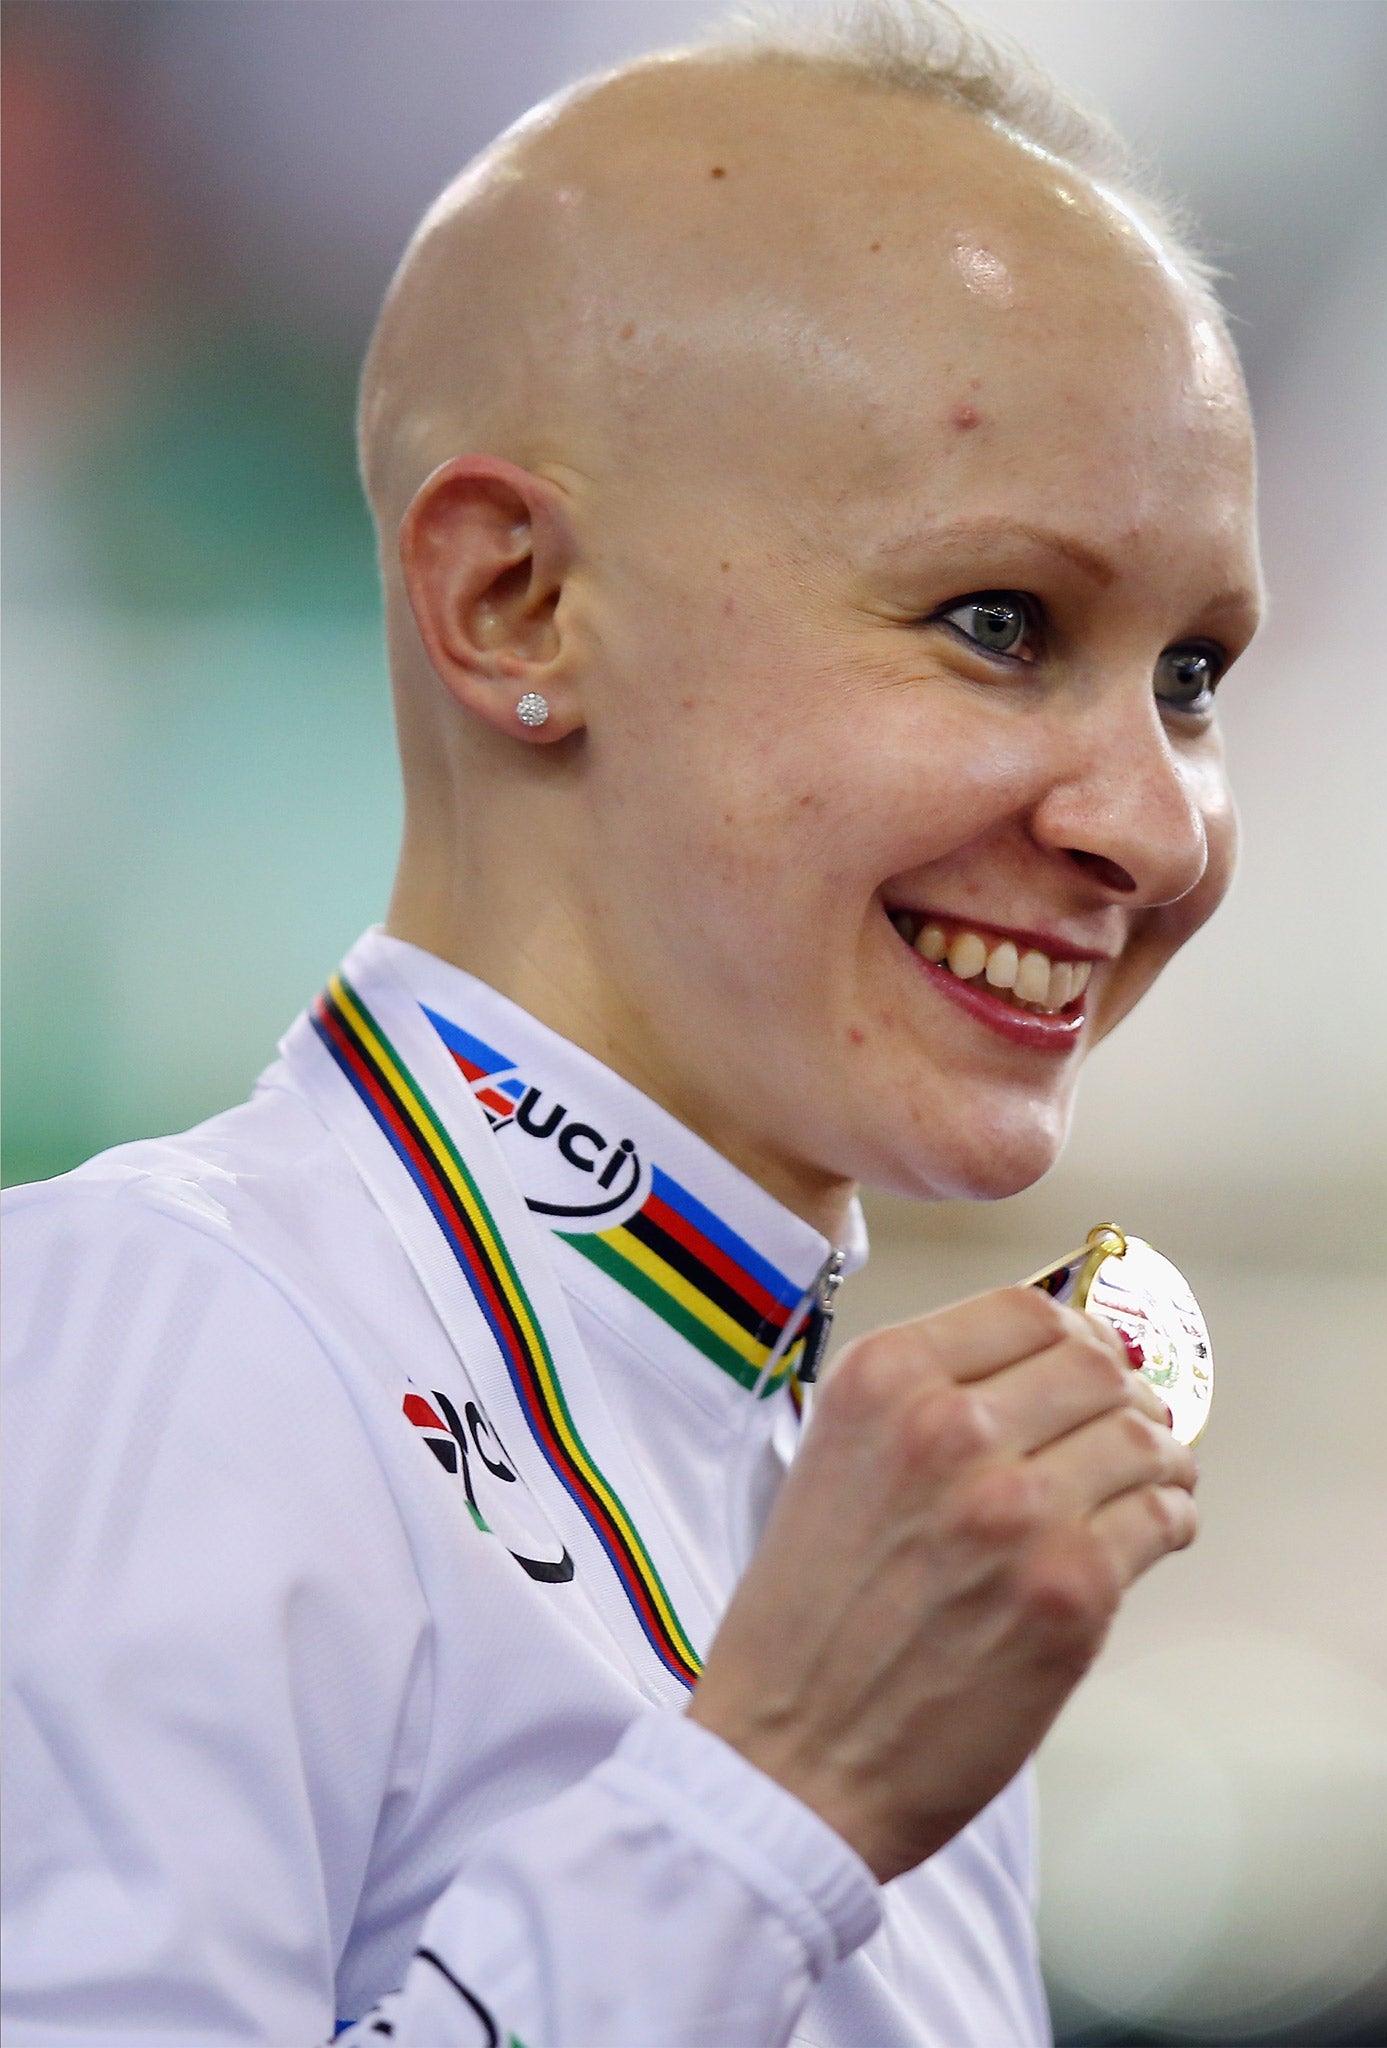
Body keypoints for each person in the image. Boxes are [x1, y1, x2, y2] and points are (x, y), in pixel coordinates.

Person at [2, 4, 1263, 2042]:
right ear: (514, 605)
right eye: (1000, 623)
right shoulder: (160, 1327)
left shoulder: (857, 1533)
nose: (1149, 819)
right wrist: (770, 1796)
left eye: (1193, 674)